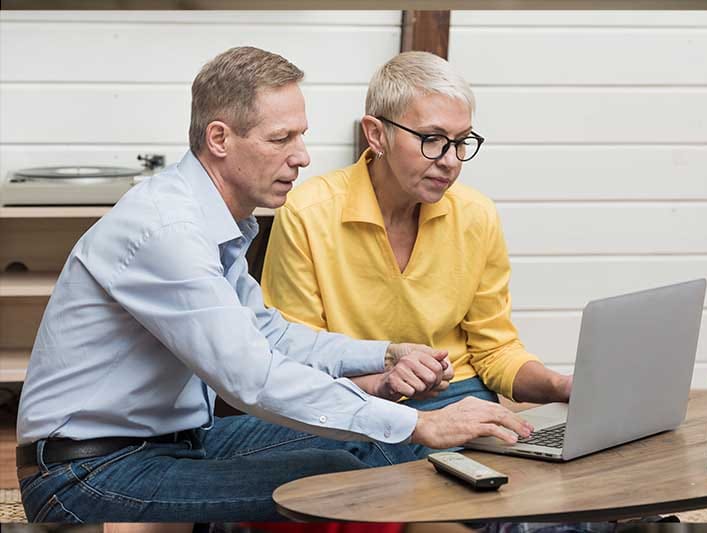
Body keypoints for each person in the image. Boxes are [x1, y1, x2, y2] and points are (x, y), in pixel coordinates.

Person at [15, 47, 533, 523]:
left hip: (176, 442)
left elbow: (273, 336)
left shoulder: (216, 222)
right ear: (220, 139)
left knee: (353, 449)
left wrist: (386, 353)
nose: (303, 156)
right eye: (281, 139)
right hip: (88, 472)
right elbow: (253, 377)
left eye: (301, 136)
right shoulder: (168, 232)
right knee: (340, 477)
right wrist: (421, 425)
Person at [261, 51, 573, 446]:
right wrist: (382, 385)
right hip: (352, 401)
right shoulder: (308, 213)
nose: (450, 161)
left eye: (462, 142)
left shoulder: (476, 215)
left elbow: (495, 351)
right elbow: (296, 359)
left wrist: (559, 385)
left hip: (459, 395)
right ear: (376, 134)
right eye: (432, 140)